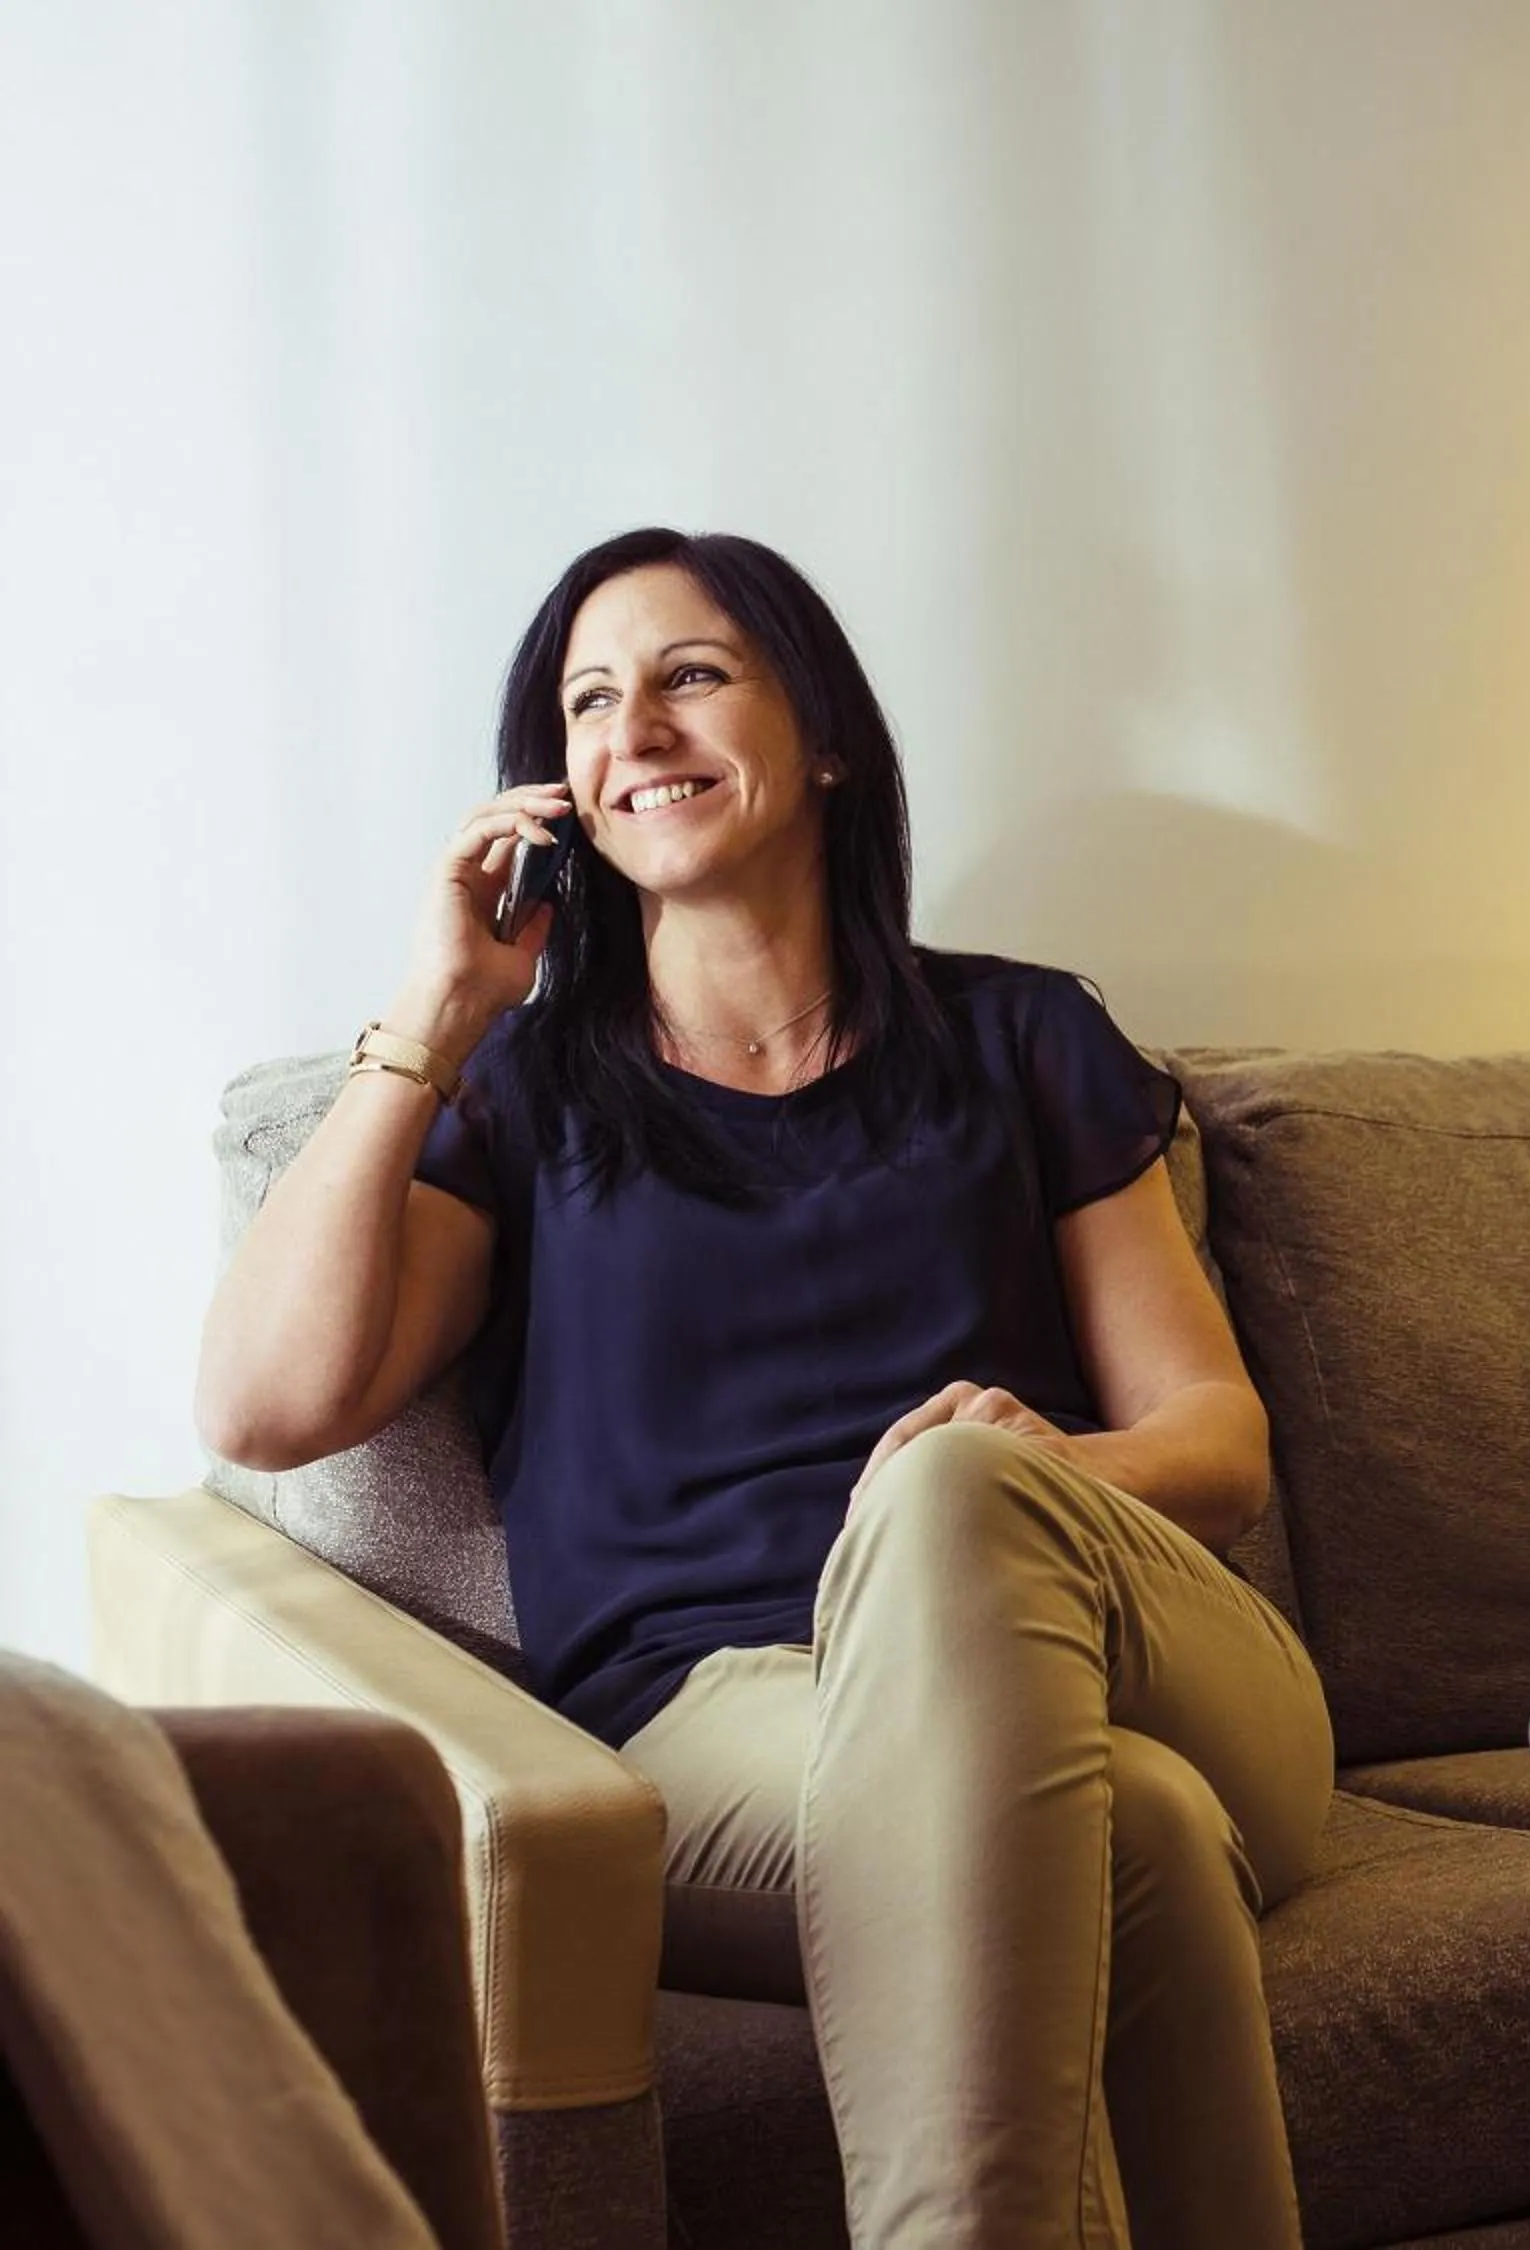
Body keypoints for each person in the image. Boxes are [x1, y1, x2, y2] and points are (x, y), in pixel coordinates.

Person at [193, 527, 1333, 2250]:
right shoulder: (526, 1101)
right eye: (590, 699)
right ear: (560, 789)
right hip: (716, 1707)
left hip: (1133, 1645)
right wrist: (434, 1012)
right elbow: (264, 1405)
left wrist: (1042, 1472)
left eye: (693, 674)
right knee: (1142, 1831)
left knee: (950, 1493)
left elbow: (1219, 1444)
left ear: (826, 740)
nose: (635, 725)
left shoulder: (1023, 1040)